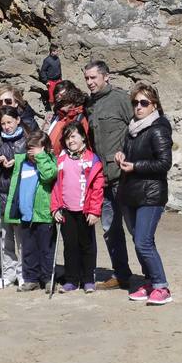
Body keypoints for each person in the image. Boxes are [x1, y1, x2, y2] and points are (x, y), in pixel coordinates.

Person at [115, 82, 174, 306]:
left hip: (151, 194)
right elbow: (129, 152)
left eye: (143, 103)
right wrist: (121, 155)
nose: (138, 107)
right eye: (135, 103)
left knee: (143, 242)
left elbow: (164, 163)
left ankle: (161, 286)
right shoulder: (133, 128)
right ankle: (149, 281)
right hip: (131, 193)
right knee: (140, 240)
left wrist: (136, 166)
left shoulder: (158, 128)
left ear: (154, 105)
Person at [83, 59, 136, 290]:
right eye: (87, 78)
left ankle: (152, 277)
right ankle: (122, 274)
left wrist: (130, 157)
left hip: (124, 178)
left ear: (107, 77)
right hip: (102, 179)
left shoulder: (122, 100)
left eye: (93, 77)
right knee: (110, 230)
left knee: (136, 231)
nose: (90, 82)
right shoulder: (90, 105)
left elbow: (138, 129)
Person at [51, 125, 105, 293]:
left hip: (85, 211)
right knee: (70, 246)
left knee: (87, 245)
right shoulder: (61, 159)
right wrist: (55, 208)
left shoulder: (91, 159)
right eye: (67, 138)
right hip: (66, 210)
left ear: (83, 137)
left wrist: (95, 211)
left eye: (74, 136)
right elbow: (56, 186)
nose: (71, 141)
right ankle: (72, 280)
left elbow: (97, 188)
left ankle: (88, 279)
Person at [4, 130, 58, 291]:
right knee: (28, 249)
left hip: (44, 215)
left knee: (46, 249)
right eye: (29, 148)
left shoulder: (50, 161)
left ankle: (48, 278)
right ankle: (30, 278)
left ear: (45, 148)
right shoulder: (22, 162)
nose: (31, 151)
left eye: (35, 148)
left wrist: (41, 156)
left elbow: (48, 175)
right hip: (26, 215)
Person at [0, 105, 27, 288]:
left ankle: (24, 273)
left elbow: (36, 162)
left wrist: (17, 161)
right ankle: (7, 273)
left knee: (22, 239)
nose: (7, 126)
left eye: (10, 122)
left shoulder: (27, 140)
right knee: (2, 238)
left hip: (19, 195)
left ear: (18, 120)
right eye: (3, 123)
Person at [45, 80, 90, 156]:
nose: (61, 100)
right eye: (58, 98)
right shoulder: (57, 117)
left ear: (73, 96)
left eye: (65, 97)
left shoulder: (80, 118)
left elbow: (86, 146)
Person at [38, 43, 63, 108]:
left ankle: (59, 109)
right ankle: (53, 111)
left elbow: (59, 68)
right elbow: (43, 71)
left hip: (58, 80)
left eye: (57, 51)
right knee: (52, 97)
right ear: (52, 51)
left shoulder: (57, 58)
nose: (57, 52)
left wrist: (60, 78)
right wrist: (46, 81)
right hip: (51, 81)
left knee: (60, 95)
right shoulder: (47, 60)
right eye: (56, 51)